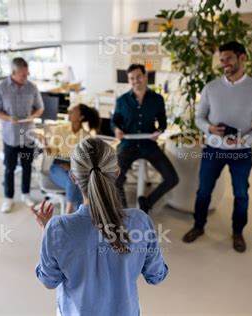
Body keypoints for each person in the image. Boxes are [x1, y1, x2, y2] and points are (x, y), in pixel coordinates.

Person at [33, 137, 168, 315]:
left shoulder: (57, 228)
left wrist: (47, 233)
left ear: (73, 177)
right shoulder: (140, 221)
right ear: (117, 172)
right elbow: (156, 275)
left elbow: (49, 281)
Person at [182, 41, 252, 253]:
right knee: (203, 191)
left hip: (241, 152)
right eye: (221, 59)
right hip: (212, 150)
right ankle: (198, 226)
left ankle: (238, 232)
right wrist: (209, 128)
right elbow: (199, 118)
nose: (224, 63)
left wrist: (243, 140)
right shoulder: (211, 88)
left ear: (242, 58)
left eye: (229, 58)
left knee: (241, 194)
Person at [112, 64, 179, 213]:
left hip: (149, 145)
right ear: (129, 80)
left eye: (138, 77)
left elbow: (162, 123)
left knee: (172, 178)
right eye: (132, 78)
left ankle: (147, 202)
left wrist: (159, 131)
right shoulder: (122, 101)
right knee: (115, 179)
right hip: (127, 145)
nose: (136, 81)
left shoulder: (157, 99)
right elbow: (114, 121)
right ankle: (125, 213)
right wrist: (116, 129)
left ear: (145, 77)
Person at [0, 57, 44, 213]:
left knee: (27, 166)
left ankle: (26, 194)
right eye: (23, 75)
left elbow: (39, 108)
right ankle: (8, 198)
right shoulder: (1, 88)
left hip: (28, 135)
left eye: (27, 74)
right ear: (13, 73)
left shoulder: (32, 88)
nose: (26, 77)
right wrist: (9, 118)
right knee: (9, 168)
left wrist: (33, 116)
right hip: (10, 136)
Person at [46, 103, 101, 213]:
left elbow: (87, 161)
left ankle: (70, 214)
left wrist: (72, 166)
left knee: (74, 179)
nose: (69, 113)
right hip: (57, 168)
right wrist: (46, 146)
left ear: (80, 117)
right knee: (77, 183)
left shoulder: (87, 137)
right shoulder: (59, 130)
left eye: (73, 111)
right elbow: (52, 153)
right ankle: (74, 214)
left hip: (76, 171)